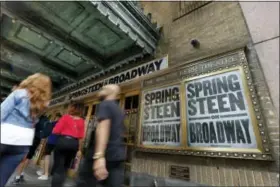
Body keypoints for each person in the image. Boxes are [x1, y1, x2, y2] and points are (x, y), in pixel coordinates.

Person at [0, 73, 52, 187]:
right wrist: (26, 149)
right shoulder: (42, 104)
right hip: (21, 145)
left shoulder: (19, 94)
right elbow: (32, 125)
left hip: (4, 137)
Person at [76, 84, 126, 187]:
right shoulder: (120, 111)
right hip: (117, 157)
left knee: (84, 183)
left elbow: (103, 128)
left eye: (104, 89)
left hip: (102, 155)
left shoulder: (105, 104)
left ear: (110, 92)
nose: (101, 90)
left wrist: (99, 156)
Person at [51, 102, 85, 187]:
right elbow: (81, 137)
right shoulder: (81, 121)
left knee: (58, 168)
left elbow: (55, 131)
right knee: (65, 167)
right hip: (74, 143)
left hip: (63, 141)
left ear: (72, 108)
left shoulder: (65, 117)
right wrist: (79, 150)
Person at [13, 114, 52, 184]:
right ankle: (21, 173)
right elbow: (47, 131)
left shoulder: (32, 115)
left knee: (24, 157)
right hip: (37, 140)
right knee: (28, 157)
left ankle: (17, 177)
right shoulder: (45, 118)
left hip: (29, 137)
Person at [37, 113, 62, 180]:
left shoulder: (53, 123)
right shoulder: (62, 124)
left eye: (57, 117)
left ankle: (45, 173)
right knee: (56, 159)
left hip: (51, 141)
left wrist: (43, 138)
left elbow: (47, 132)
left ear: (57, 117)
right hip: (58, 143)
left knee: (46, 156)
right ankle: (51, 173)